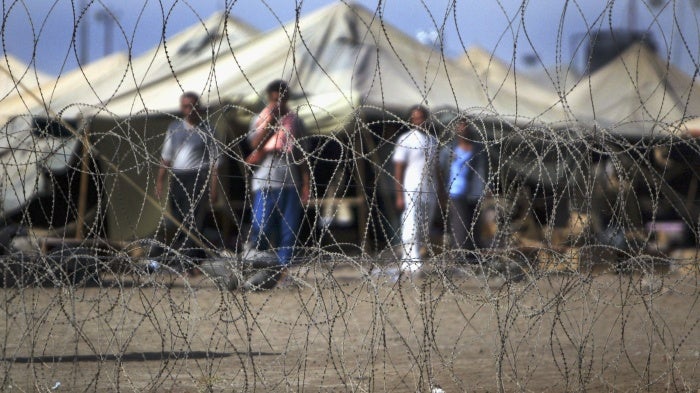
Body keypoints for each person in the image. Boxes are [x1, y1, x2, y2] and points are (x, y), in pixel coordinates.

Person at [244, 80, 310, 289]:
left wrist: (306, 184)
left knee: (288, 231)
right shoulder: (259, 119)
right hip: (265, 182)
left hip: (289, 182)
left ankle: (283, 272)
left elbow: (302, 154)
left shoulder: (295, 122)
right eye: (274, 98)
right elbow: (254, 145)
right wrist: (270, 124)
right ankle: (260, 270)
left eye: (281, 98)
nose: (278, 101)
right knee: (261, 227)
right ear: (269, 98)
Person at [156, 92, 220, 265]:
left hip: (198, 176)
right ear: (181, 108)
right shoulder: (174, 128)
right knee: (179, 218)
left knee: (194, 220)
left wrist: (214, 188)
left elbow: (216, 162)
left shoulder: (208, 130)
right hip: (178, 177)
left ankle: (191, 260)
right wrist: (160, 181)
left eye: (193, 106)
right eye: (186, 106)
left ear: (199, 107)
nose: (190, 110)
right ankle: (186, 256)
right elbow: (166, 156)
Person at [392, 105, 440, 275]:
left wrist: (440, 191)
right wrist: (399, 194)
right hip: (411, 187)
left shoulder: (433, 141)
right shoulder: (406, 140)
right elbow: (399, 168)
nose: (419, 122)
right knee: (411, 223)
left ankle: (418, 255)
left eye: (422, 118)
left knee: (424, 226)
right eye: (416, 118)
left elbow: (436, 169)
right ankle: (409, 260)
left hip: (429, 188)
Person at [441, 117, 487, 261]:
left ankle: (472, 256)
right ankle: (459, 257)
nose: (463, 130)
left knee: (474, 224)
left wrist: (485, 188)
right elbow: (440, 168)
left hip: (474, 192)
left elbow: (483, 171)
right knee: (460, 224)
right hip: (455, 191)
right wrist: (441, 189)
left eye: (466, 127)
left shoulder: (477, 149)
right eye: (460, 127)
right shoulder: (449, 149)